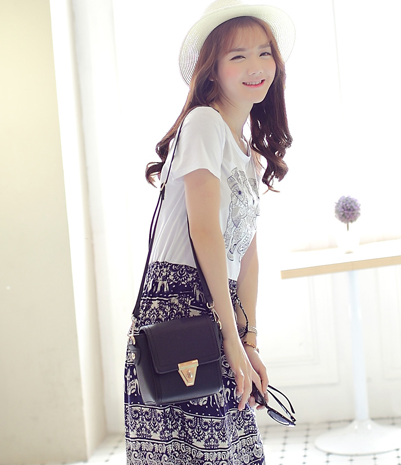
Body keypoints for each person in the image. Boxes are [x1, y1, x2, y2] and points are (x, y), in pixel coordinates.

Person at [124, 0, 295, 463]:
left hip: (220, 303)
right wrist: (231, 338)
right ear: (212, 70)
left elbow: (248, 255)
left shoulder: (248, 153)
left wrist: (248, 339)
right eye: (238, 56)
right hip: (181, 303)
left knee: (230, 449)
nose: (256, 67)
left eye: (264, 53)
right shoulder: (204, 122)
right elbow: (204, 231)